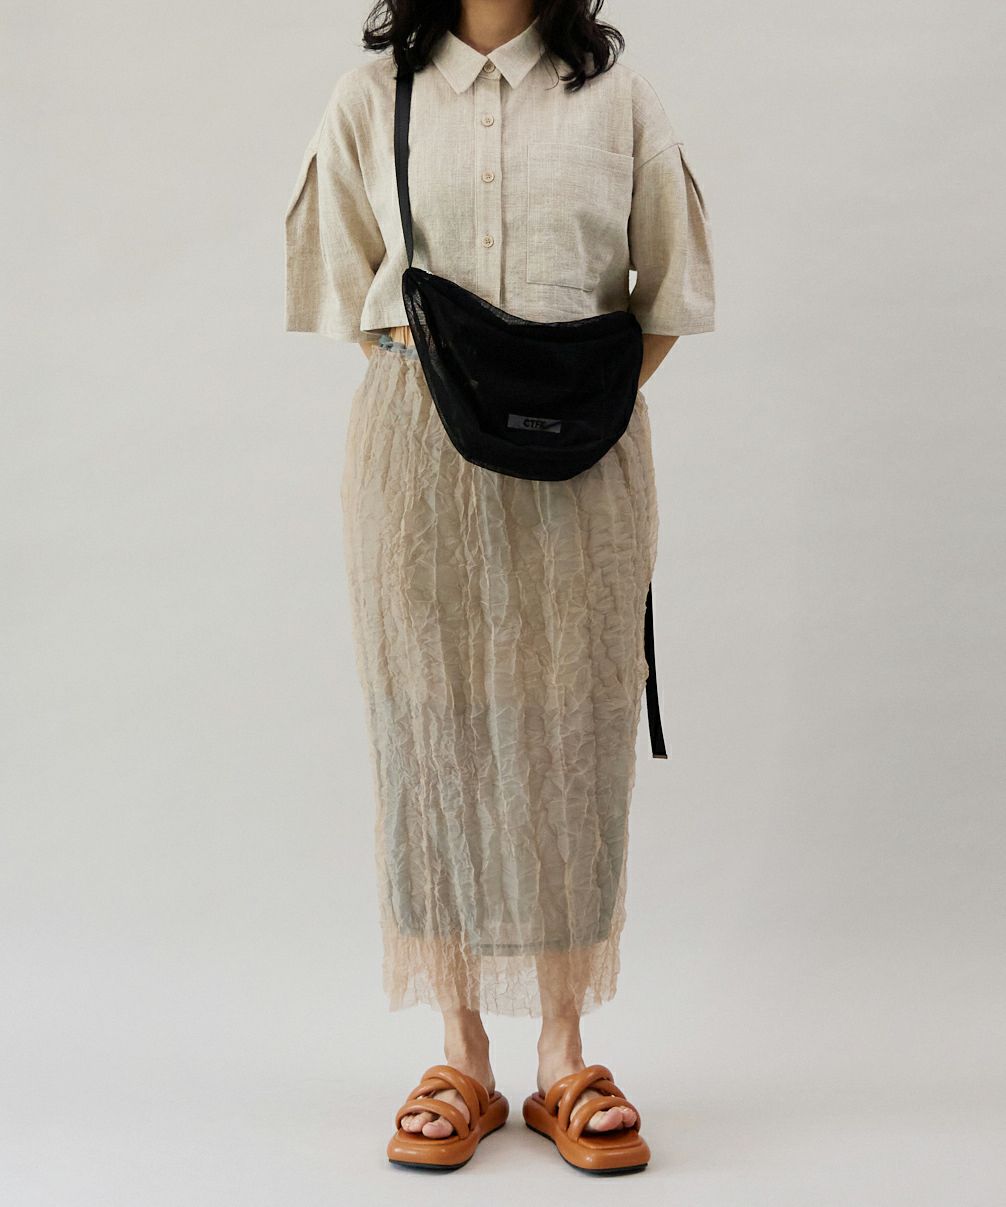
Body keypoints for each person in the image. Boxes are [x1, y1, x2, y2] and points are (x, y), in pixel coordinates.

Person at [284, 0, 715, 1173]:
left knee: (575, 726)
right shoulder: (372, 98)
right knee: (430, 723)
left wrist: (568, 402)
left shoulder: (618, 99)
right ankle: (460, 1050)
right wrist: (456, 388)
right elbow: (346, 285)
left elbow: (669, 289)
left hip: (586, 457)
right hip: (415, 453)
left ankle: (564, 1051)